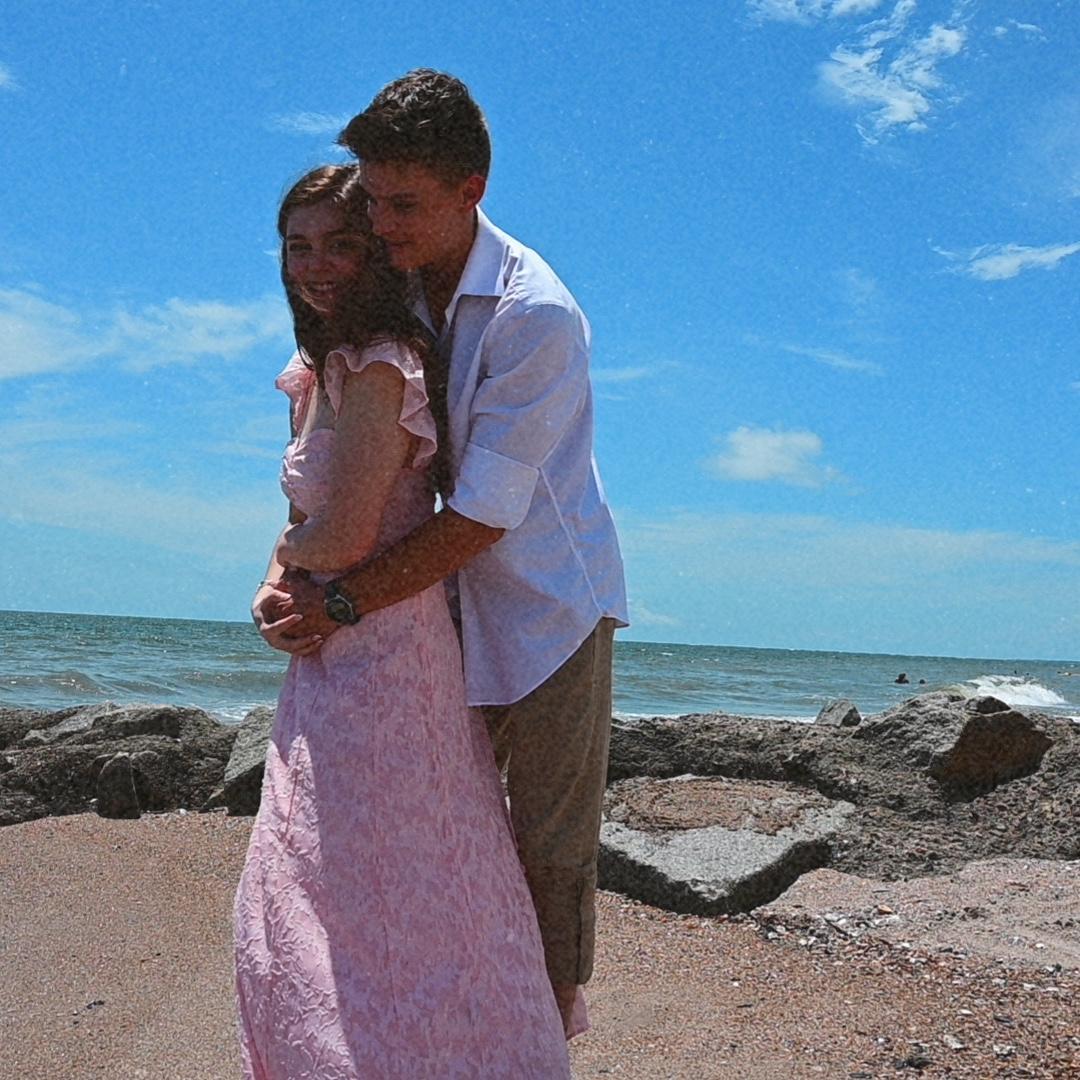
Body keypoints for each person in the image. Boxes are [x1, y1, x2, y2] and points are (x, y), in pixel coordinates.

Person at [270, 70, 629, 1033]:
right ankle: (454, 1024)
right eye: (373, 199)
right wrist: (286, 566)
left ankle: (546, 1036)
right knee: (451, 826)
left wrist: (339, 600)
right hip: (436, 604)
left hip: (548, 603)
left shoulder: (534, 314)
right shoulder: (395, 285)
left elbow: (482, 517)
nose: (379, 223)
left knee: (548, 844)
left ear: (471, 189)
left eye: (404, 204)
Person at [235, 165, 571, 1079]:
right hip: (332, 645)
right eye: (299, 246)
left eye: (341, 244)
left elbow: (346, 531)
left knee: (388, 880)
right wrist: (273, 581)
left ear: (377, 253)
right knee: (331, 878)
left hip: (386, 646)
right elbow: (304, 519)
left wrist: (299, 567)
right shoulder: (317, 370)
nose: (316, 265)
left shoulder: (381, 363)